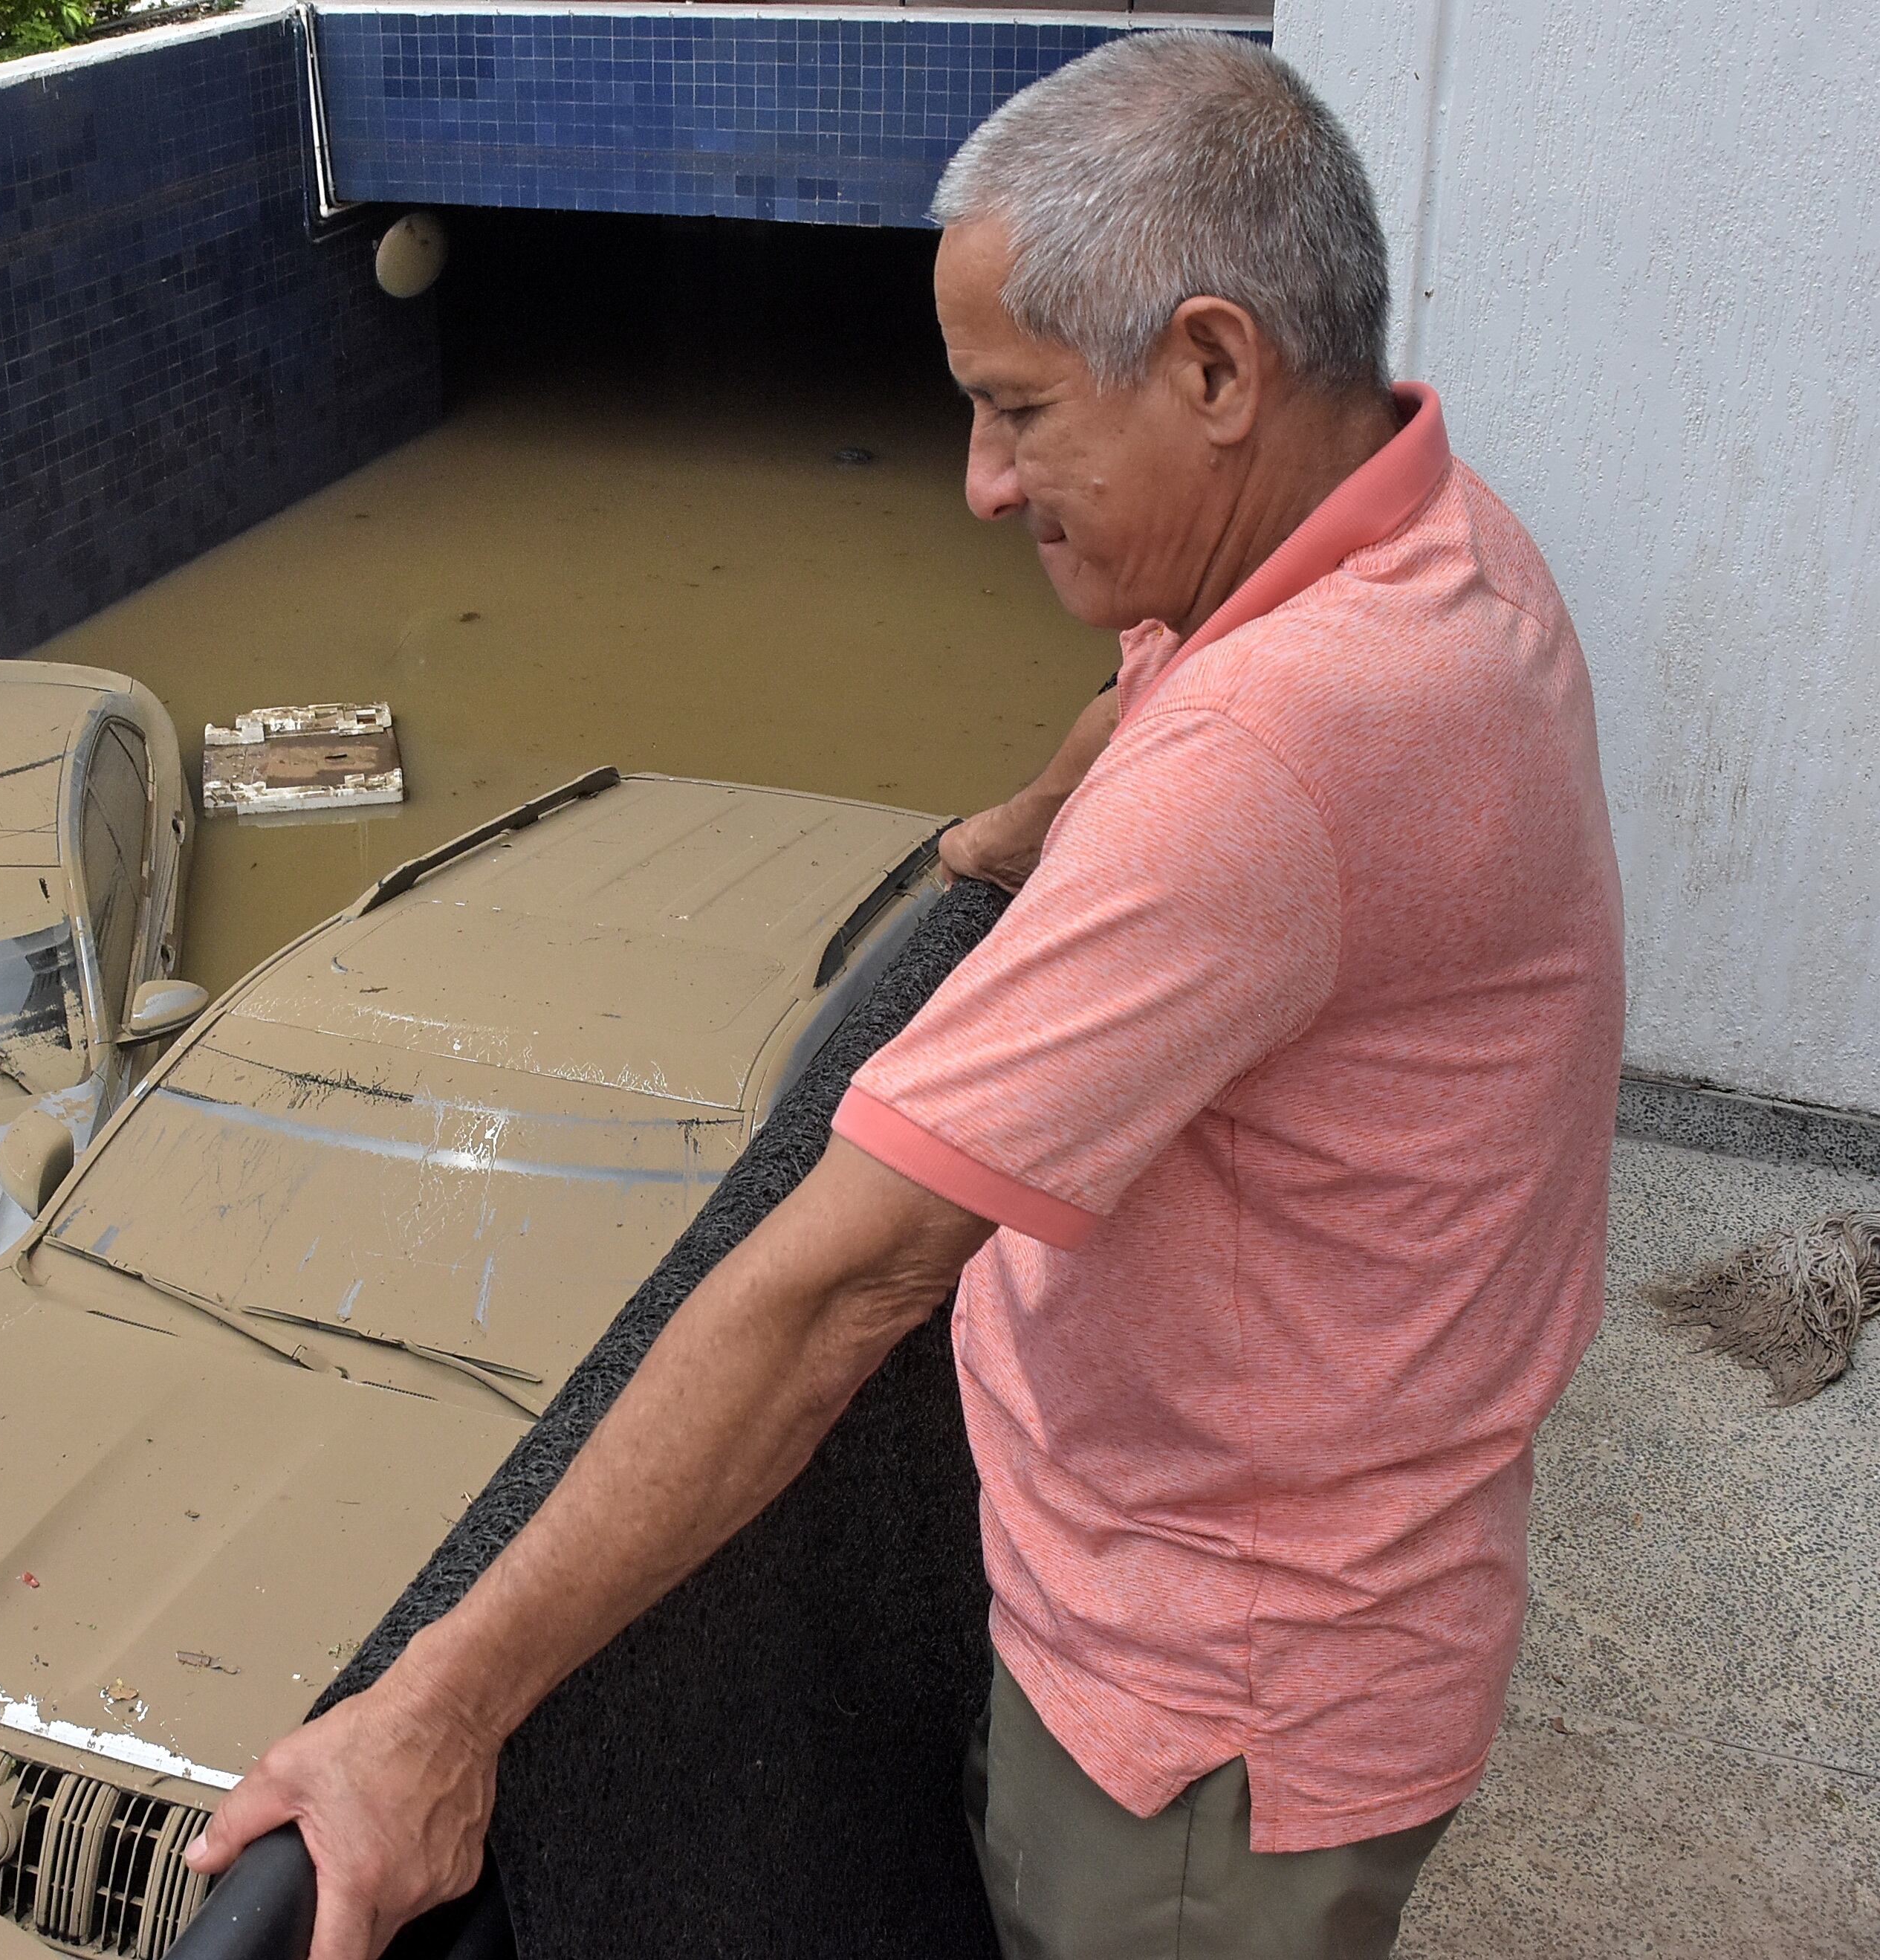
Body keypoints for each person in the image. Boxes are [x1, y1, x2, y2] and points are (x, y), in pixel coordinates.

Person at [189, 30, 1625, 1960]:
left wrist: (436, 1716)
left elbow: (833, 1291)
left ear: (1215, 365)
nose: (974, 483)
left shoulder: (1280, 765)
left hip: (1197, 1743)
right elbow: (1154, 685)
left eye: (1019, 412)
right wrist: (1013, 831)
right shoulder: (1421, 523)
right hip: (1300, 1596)